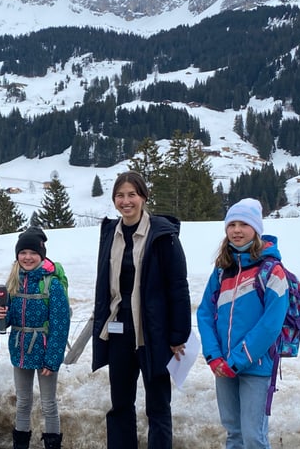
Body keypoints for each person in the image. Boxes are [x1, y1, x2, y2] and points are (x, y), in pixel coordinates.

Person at [92, 171, 191, 449]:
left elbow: (178, 288)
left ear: (144, 197)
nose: (126, 201)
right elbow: (104, 285)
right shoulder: (110, 233)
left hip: (153, 334)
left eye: (132, 194)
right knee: (121, 405)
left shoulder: (163, 236)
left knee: (158, 406)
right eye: (120, 195)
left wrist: (178, 335)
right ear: (114, 200)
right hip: (119, 331)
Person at [197, 198, 289, 448]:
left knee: (253, 436)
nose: (237, 230)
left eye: (244, 224)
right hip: (222, 365)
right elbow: (204, 312)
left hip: (256, 367)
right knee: (233, 433)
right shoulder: (222, 269)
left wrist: (236, 360)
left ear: (256, 229)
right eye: (232, 224)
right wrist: (213, 356)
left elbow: (270, 325)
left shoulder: (272, 271)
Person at [0, 226, 71, 449]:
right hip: (20, 349)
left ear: (41, 254)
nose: (27, 257)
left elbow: (60, 323)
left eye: (33, 253)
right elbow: (7, 321)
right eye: (23, 252)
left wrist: (53, 358)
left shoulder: (52, 284)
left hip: (46, 350)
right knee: (23, 402)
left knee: (48, 404)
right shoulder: (13, 282)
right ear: (17, 255)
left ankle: (52, 445)